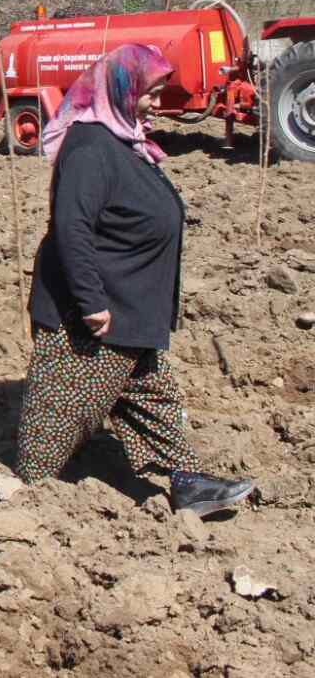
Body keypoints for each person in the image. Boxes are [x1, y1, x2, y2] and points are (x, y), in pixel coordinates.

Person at [17, 44, 253, 518]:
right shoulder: (90, 148)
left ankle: (187, 482)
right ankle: (27, 502)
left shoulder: (124, 140)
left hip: (132, 311)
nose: (156, 103)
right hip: (91, 322)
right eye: (151, 93)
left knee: (153, 397)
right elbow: (72, 229)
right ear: (122, 90)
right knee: (55, 425)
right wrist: (91, 303)